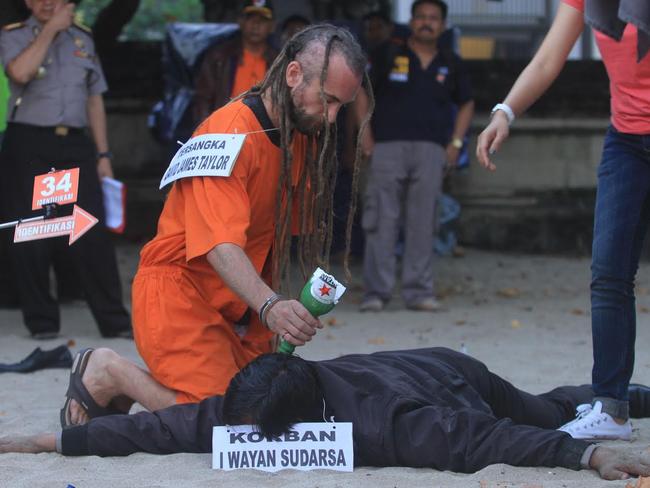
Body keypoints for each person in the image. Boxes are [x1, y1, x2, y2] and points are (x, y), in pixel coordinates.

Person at [57, 24, 372, 426]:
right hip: (179, 295)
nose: (330, 118)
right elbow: (221, 247)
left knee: (267, 408)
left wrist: (278, 313)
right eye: (327, 100)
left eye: (340, 108)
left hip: (241, 307)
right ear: (293, 75)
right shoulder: (228, 132)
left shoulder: (300, 133)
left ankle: (135, 392)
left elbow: (276, 235)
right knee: (224, 419)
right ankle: (109, 372)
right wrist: (272, 305)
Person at [4, 347, 650, 481]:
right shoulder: (242, 408)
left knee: (552, 414)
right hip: (401, 366)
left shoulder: (383, 421)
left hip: (455, 376)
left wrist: (588, 454)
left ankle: (621, 396)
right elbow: (150, 427)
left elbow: (480, 437)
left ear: (308, 414)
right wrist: (39, 443)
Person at [476, 0, 650, 441]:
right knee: (608, 274)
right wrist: (505, 112)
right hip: (627, 141)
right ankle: (611, 410)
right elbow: (549, 58)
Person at [0, 0, 131, 339]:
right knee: (31, 233)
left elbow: (94, 100)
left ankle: (114, 322)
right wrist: (50, 29)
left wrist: (103, 154)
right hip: (30, 141)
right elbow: (20, 72)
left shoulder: (83, 40)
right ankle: (42, 322)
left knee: (89, 230)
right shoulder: (13, 36)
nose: (47, 3)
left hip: (73, 145)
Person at [359, 0, 474, 313]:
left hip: (431, 150)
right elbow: (360, 92)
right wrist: (365, 134)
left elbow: (466, 103)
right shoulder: (387, 54)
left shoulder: (451, 62)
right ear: (411, 22)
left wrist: (456, 143)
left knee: (424, 222)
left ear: (443, 25)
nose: (427, 23)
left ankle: (419, 292)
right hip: (386, 146)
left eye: (433, 18)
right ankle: (376, 292)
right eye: (421, 17)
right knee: (381, 219)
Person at [193, 0, 277, 125]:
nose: (256, 25)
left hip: (265, 133)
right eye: (250, 18)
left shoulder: (279, 61)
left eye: (263, 20)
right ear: (240, 22)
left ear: (272, 26)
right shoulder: (219, 56)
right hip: (224, 129)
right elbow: (202, 99)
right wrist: (207, 130)